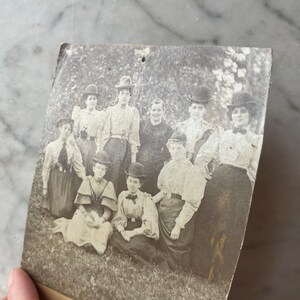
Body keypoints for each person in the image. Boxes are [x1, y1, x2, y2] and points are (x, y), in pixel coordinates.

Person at [191, 92, 263, 283]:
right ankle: (200, 267)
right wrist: (204, 172)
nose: (239, 115)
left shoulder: (256, 140)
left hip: (240, 185)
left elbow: (256, 169)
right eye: (236, 112)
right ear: (231, 115)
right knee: (209, 221)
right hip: (219, 180)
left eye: (243, 112)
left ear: (250, 115)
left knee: (231, 226)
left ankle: (222, 272)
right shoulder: (221, 134)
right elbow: (203, 156)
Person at [153, 131, 207, 270]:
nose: (175, 151)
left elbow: (191, 203)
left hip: (178, 214)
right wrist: (151, 200)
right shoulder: (168, 166)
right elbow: (164, 190)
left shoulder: (191, 170)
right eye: (173, 147)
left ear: (185, 148)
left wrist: (178, 225)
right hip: (164, 210)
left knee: (177, 260)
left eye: (179, 148)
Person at [53, 151, 117, 255]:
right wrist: (86, 215)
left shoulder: (109, 185)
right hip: (85, 214)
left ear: (105, 171)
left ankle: (93, 245)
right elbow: (80, 204)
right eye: (98, 168)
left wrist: (101, 220)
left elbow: (108, 210)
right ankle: (79, 239)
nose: (100, 171)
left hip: (99, 218)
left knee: (107, 227)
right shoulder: (87, 180)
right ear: (93, 168)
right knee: (78, 217)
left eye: (102, 169)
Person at [110, 163, 171, 270]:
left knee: (135, 245)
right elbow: (118, 216)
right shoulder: (122, 195)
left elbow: (149, 224)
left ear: (140, 184)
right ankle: (131, 252)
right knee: (114, 238)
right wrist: (123, 231)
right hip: (126, 226)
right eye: (130, 181)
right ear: (126, 180)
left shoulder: (146, 198)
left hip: (141, 230)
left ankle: (158, 260)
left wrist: (132, 232)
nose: (131, 184)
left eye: (135, 182)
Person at [102, 76, 140, 194]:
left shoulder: (133, 112)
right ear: (118, 95)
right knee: (110, 174)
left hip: (126, 148)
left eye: (127, 94)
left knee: (122, 176)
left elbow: (134, 135)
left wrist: (133, 158)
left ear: (130, 96)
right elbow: (105, 133)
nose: (124, 96)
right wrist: (101, 150)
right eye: (122, 93)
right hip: (112, 146)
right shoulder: (111, 110)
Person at [42, 118, 86, 219]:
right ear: (60, 129)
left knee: (66, 210)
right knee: (57, 211)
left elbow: (78, 164)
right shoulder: (52, 146)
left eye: (69, 130)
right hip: (55, 179)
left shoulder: (72, 147)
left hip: (67, 180)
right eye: (65, 128)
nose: (67, 131)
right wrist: (45, 187)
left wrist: (85, 178)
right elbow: (46, 167)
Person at [176, 85, 219, 175]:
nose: (197, 111)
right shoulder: (180, 127)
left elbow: (212, 156)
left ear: (204, 110)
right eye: (194, 107)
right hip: (180, 169)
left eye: (200, 108)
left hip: (199, 171)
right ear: (189, 109)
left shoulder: (210, 130)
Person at [137, 98, 173, 194]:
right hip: (141, 164)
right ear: (150, 110)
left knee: (153, 194)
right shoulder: (142, 124)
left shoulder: (167, 129)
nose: (156, 112)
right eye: (154, 110)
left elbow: (168, 151)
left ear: (163, 111)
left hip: (157, 168)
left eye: (159, 110)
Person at [72, 84, 106, 176]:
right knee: (77, 165)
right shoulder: (80, 113)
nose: (92, 101)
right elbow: (75, 130)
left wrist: (98, 149)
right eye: (90, 99)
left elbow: (99, 134)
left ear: (97, 101)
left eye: (94, 99)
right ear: (86, 101)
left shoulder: (99, 115)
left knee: (88, 168)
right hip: (80, 143)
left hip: (91, 145)